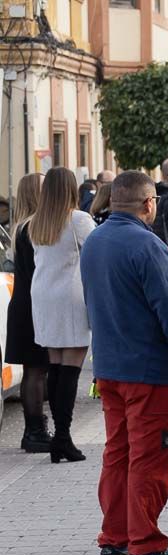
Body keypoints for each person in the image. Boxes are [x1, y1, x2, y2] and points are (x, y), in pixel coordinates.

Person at [80, 170, 168, 555]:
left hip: (110, 365)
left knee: (118, 453)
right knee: (151, 456)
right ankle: (145, 544)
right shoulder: (148, 246)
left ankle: (115, 538)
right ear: (150, 204)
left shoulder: (94, 241)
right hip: (148, 369)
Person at [28, 167, 96, 463]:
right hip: (70, 296)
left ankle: (59, 435)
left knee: (54, 367)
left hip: (42, 294)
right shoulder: (78, 220)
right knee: (70, 370)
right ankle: (64, 438)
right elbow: (96, 252)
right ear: (71, 189)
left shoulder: (35, 223)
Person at [5, 173, 51, 453]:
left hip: (22, 303)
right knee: (36, 370)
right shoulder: (34, 227)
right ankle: (35, 431)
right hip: (33, 305)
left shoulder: (20, 226)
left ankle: (32, 429)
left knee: (34, 370)